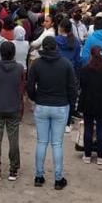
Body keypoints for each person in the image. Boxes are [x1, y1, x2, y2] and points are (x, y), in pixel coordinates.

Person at [27, 36, 76, 190]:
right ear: (56, 47)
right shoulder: (66, 64)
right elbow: (72, 88)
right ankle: (58, 178)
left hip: (42, 105)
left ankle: (39, 176)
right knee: (57, 143)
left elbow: (29, 87)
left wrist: (36, 98)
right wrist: (71, 106)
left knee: (42, 142)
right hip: (61, 106)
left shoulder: (36, 64)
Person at [0, 41, 24, 181]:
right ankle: (13, 169)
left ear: (1, 53)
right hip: (13, 106)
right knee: (13, 138)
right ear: (13, 53)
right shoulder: (20, 68)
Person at [79, 46, 102, 165]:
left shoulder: (84, 69)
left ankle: (87, 154)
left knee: (88, 128)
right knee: (100, 128)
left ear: (91, 55)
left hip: (87, 101)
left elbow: (82, 85)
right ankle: (100, 155)